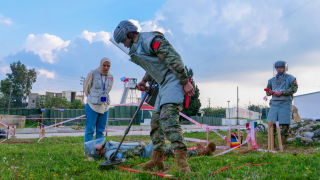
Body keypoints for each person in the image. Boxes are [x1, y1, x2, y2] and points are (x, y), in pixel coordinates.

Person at [112, 20, 195, 173]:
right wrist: (144, 80)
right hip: (163, 83)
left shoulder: (151, 40)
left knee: (168, 121)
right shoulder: (139, 46)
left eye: (123, 41)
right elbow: (153, 65)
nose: (124, 44)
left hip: (174, 78)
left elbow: (173, 58)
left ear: (130, 34)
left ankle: (182, 164)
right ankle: (157, 160)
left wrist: (185, 81)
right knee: (155, 124)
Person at [84, 138, 216, 161]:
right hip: (147, 153)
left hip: (147, 148)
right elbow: (131, 153)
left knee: (171, 149)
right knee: (172, 150)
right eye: (95, 146)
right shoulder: (110, 154)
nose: (97, 144)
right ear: (97, 152)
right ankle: (202, 152)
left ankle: (198, 151)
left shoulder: (108, 145)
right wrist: (141, 145)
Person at [265, 61, 298, 148]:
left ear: (285, 68)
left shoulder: (291, 78)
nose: (279, 69)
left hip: (285, 103)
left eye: (281, 67)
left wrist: (282, 92)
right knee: (271, 123)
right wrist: (270, 92)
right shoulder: (271, 80)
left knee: (285, 124)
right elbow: (268, 92)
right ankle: (272, 143)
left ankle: (282, 144)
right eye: (277, 68)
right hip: (274, 104)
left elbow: (294, 89)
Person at [83, 57, 114, 143]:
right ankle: (88, 152)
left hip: (104, 106)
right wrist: (93, 97)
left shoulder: (111, 76)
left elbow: (109, 89)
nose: (106, 68)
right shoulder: (93, 73)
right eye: (104, 65)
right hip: (92, 105)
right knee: (90, 130)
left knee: (100, 131)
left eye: (108, 66)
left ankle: (98, 151)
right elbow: (86, 88)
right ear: (101, 64)